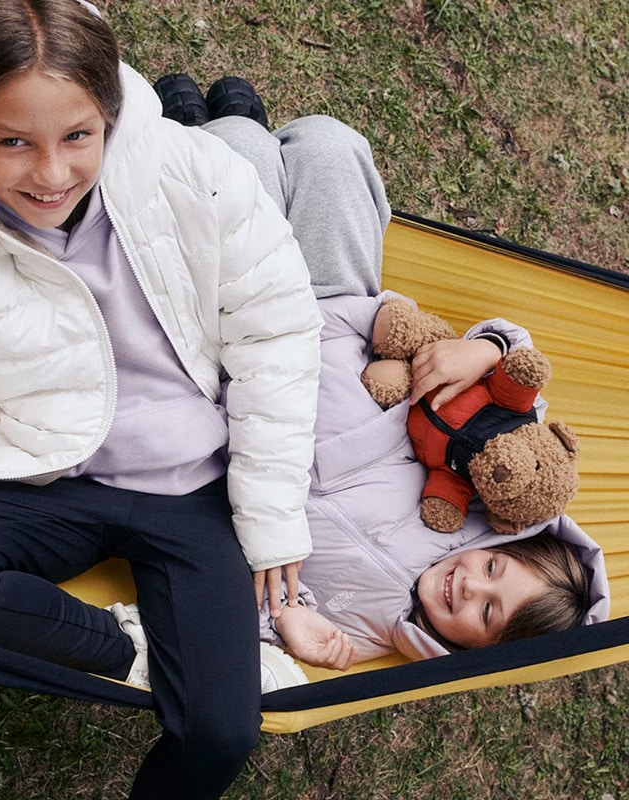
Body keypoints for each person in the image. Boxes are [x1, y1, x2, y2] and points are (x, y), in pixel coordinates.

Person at [0, 3, 326, 798]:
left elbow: (278, 336)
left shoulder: (194, 171)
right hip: (45, 470)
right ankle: (135, 650)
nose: (52, 173)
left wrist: (270, 518)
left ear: (110, 112)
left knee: (219, 732)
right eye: (12, 143)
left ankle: (193, 668)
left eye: (77, 136)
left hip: (192, 487)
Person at [150, 73, 610, 673]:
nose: (470, 586)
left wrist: (285, 620)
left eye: (487, 613)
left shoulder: (367, 632)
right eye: (494, 568)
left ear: (478, 651)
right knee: (329, 146)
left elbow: (241, 597)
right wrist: (489, 348)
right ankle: (240, 142)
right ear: (509, 543)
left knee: (236, 148)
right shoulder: (498, 501)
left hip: (236, 358)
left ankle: (200, 132)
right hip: (340, 315)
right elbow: (518, 403)